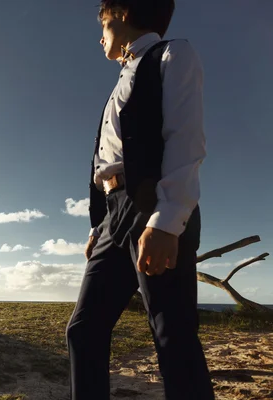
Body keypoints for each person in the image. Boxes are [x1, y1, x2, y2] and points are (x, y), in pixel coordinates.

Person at [65, 1, 215, 399]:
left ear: (126, 14)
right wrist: (100, 226)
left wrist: (166, 221)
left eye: (105, 23)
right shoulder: (121, 79)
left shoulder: (172, 54)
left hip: (153, 206)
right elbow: (109, 161)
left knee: (172, 335)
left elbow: (185, 140)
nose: (100, 36)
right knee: (84, 329)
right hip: (113, 218)